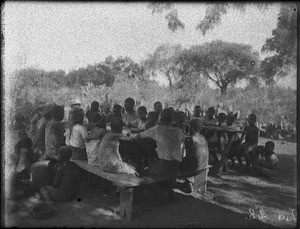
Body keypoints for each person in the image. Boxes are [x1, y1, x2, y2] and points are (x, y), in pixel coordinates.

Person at [135, 108, 186, 204]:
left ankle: (160, 194)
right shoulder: (178, 131)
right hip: (175, 166)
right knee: (156, 168)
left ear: (160, 118)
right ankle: (168, 190)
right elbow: (184, 137)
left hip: (164, 166)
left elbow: (138, 137)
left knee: (144, 173)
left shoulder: (157, 129)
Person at [179, 119, 209, 193]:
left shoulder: (191, 139)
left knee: (177, 163)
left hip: (196, 165)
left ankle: (188, 182)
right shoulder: (202, 137)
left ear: (191, 128)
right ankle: (190, 181)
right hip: (204, 163)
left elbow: (189, 155)